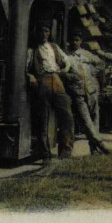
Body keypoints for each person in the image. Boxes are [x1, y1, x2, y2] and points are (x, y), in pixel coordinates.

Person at [26, 21, 75, 160]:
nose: (44, 34)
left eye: (46, 31)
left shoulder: (54, 47)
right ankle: (45, 154)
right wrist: (30, 76)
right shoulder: (32, 50)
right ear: (37, 33)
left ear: (50, 33)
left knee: (67, 115)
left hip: (57, 80)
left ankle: (65, 152)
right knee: (43, 119)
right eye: (41, 31)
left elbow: (68, 61)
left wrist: (63, 71)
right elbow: (25, 69)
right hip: (43, 81)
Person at [64, 29, 110, 155]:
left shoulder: (86, 54)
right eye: (72, 40)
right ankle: (102, 144)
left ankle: (93, 149)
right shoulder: (66, 57)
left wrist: (91, 73)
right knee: (86, 121)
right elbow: (62, 72)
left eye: (77, 40)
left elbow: (101, 63)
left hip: (91, 90)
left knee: (95, 119)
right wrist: (69, 78)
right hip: (78, 93)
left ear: (81, 41)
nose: (75, 42)